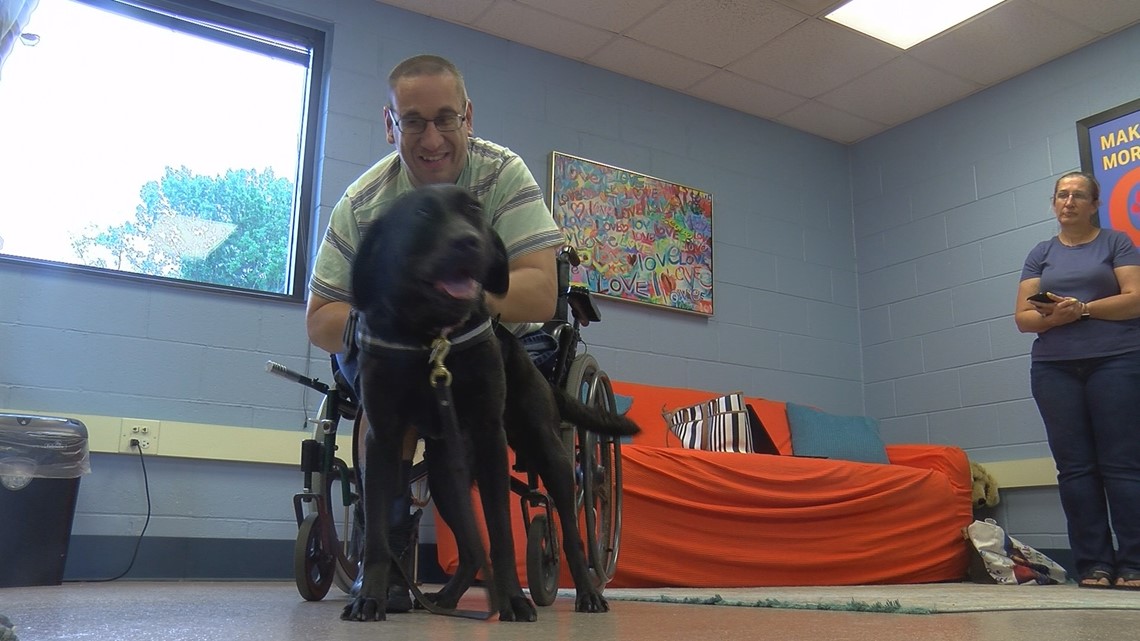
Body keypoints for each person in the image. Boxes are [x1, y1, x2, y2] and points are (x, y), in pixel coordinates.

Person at [306, 54, 564, 610]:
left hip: (492, 341)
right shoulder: (363, 202)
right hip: (393, 345)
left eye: (445, 118)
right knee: (387, 385)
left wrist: (459, 290)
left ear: (468, 117)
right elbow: (321, 317)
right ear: (390, 124)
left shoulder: (503, 175)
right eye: (413, 121)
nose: (431, 138)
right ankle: (388, 556)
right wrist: (391, 313)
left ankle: (500, 564)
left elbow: (541, 293)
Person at [1015, 170, 1140, 590]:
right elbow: (1024, 319)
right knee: (1074, 469)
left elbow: (1135, 300)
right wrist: (1056, 317)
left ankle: (1134, 564)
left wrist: (1082, 310)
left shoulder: (1116, 242)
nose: (1068, 201)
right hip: (1054, 368)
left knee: (1122, 466)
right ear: (1054, 203)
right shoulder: (1040, 252)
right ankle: (1094, 566)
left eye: (1078, 195)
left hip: (1116, 361)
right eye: (1061, 195)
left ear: (1093, 204)